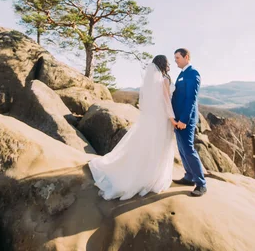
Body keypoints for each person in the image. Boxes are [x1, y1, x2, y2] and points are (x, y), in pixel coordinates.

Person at [88, 55, 177, 200]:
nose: (169, 65)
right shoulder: (165, 79)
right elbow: (167, 100)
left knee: (151, 145)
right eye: (168, 63)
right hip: (162, 118)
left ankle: (146, 174)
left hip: (154, 117)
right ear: (163, 64)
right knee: (159, 145)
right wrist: (172, 118)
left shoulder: (155, 80)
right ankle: (153, 178)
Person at [172, 48, 207, 197]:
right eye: (175, 58)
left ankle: (201, 183)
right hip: (177, 119)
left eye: (177, 58)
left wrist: (184, 120)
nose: (175, 61)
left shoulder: (193, 73)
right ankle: (189, 177)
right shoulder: (182, 74)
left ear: (186, 57)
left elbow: (190, 99)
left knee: (188, 149)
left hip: (185, 120)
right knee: (181, 149)